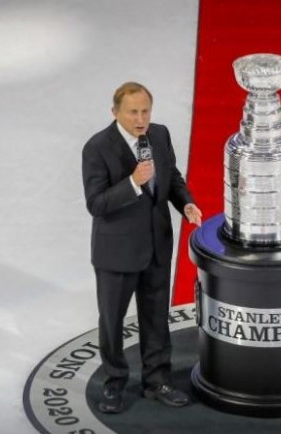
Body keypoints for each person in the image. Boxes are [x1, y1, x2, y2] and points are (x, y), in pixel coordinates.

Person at [82, 81, 202, 413]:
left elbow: (171, 176)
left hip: (157, 246)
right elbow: (96, 203)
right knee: (112, 321)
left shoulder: (159, 135)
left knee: (156, 318)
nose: (140, 119)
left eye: (145, 111)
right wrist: (133, 183)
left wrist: (186, 203)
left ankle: (157, 380)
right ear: (115, 112)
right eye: (133, 112)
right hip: (116, 253)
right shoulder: (97, 147)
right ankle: (114, 383)